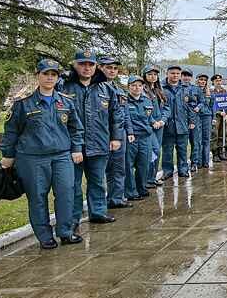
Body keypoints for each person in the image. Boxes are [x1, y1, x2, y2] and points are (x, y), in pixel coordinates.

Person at [0, 59, 84, 248]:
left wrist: (77, 148)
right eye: (45, 74)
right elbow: (11, 131)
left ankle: (65, 232)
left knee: (66, 194)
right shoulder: (23, 104)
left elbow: (76, 128)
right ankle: (45, 237)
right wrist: (8, 155)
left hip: (62, 156)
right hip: (32, 158)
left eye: (53, 75)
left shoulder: (66, 102)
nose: (49, 78)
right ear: (38, 75)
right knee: (37, 197)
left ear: (57, 78)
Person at [59, 49, 121, 226]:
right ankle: (73, 218)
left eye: (90, 64)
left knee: (97, 182)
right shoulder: (64, 87)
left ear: (96, 67)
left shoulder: (106, 88)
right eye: (82, 64)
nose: (86, 68)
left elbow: (116, 115)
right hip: (72, 146)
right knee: (73, 185)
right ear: (75, 65)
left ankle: (98, 212)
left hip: (99, 143)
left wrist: (116, 137)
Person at [98, 56, 135, 208]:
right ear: (100, 68)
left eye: (115, 68)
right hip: (101, 134)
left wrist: (130, 131)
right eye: (108, 67)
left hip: (120, 135)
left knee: (119, 168)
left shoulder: (119, 91)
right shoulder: (95, 88)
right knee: (100, 171)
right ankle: (100, 204)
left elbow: (125, 114)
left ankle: (116, 198)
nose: (112, 71)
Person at [161, 64, 196, 179]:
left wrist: (191, 120)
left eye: (177, 73)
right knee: (167, 150)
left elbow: (191, 105)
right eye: (172, 73)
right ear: (167, 74)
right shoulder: (161, 88)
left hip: (182, 123)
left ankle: (183, 169)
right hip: (168, 125)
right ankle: (167, 171)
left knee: (182, 149)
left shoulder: (186, 88)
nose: (175, 75)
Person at [125, 75, 155, 200]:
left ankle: (141, 188)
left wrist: (154, 122)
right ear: (128, 87)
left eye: (139, 85)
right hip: (131, 138)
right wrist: (130, 132)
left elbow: (149, 117)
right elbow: (125, 119)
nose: (137, 88)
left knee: (144, 164)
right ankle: (131, 192)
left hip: (145, 137)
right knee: (129, 165)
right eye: (133, 85)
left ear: (143, 87)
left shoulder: (147, 100)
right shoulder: (124, 101)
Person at [142, 65, 169, 188]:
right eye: (149, 74)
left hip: (160, 125)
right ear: (145, 76)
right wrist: (153, 122)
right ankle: (147, 179)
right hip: (149, 126)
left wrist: (162, 120)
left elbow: (167, 108)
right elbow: (144, 109)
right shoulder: (142, 91)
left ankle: (152, 178)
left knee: (157, 152)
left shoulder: (159, 90)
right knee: (153, 151)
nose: (152, 77)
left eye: (155, 74)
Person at [181, 68, 204, 173]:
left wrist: (198, 107)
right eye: (184, 75)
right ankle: (183, 164)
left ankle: (194, 162)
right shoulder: (178, 88)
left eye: (188, 75)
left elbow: (202, 101)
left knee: (195, 141)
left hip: (195, 117)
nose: (186, 77)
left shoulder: (196, 89)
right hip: (182, 118)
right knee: (183, 143)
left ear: (191, 77)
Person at [209, 74, 227, 161]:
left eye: (220, 80)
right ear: (213, 82)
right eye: (216, 81)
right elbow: (210, 105)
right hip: (215, 116)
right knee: (215, 135)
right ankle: (215, 154)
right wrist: (219, 112)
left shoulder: (224, 91)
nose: (218, 82)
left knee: (222, 134)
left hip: (223, 116)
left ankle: (221, 152)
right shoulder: (210, 92)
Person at [195, 74, 213, 168]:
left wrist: (213, 118)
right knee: (198, 140)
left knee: (206, 139)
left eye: (204, 80)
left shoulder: (209, 92)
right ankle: (199, 162)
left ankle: (206, 161)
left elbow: (212, 106)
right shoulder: (193, 91)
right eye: (201, 79)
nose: (202, 81)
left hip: (207, 116)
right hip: (197, 116)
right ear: (197, 80)